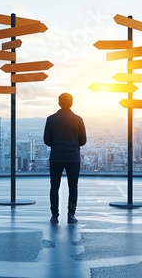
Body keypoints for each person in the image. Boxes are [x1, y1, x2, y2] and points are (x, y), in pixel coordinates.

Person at [44, 93, 87, 224]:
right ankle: (71, 215)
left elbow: (47, 140)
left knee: (54, 186)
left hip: (56, 157)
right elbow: (83, 141)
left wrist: (57, 145)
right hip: (73, 157)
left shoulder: (51, 119)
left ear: (59, 103)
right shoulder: (78, 119)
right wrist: (73, 144)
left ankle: (54, 216)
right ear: (72, 103)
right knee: (73, 187)